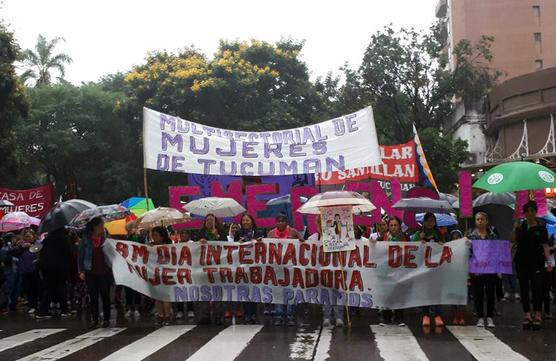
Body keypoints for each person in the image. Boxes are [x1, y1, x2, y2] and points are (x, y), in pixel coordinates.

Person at [513, 201, 553, 330]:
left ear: (536, 212)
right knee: (524, 289)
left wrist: (548, 262)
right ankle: (527, 314)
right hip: (521, 262)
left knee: (537, 288)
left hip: (537, 263)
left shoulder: (541, 229)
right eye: (527, 211)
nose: (530, 213)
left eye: (532, 211)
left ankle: (537, 313)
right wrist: (515, 227)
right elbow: (512, 240)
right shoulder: (521, 226)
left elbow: (545, 246)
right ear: (524, 213)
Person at [411, 212, 447, 328]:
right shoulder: (418, 233)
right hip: (423, 268)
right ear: (424, 222)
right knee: (425, 291)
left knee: (437, 291)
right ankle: (425, 314)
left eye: (432, 221)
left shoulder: (439, 234)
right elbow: (412, 248)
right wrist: (419, 241)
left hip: (437, 268)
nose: (430, 223)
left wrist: (442, 244)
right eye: (427, 221)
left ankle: (438, 315)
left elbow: (447, 248)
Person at [268, 214, 303, 326]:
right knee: (278, 292)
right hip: (277, 268)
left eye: (283, 221)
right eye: (278, 221)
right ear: (276, 222)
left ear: (286, 222)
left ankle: (290, 315)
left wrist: (302, 241)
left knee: (290, 292)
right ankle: (279, 315)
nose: (281, 223)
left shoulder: (293, 232)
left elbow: (302, 242)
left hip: (291, 268)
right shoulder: (271, 233)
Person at [309, 215, 344, 327]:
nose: (320, 225)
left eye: (322, 222)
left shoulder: (336, 236)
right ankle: (327, 317)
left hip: (336, 270)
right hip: (321, 271)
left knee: (338, 293)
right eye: (318, 222)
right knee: (325, 294)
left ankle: (339, 317)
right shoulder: (313, 238)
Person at [78, 217, 112, 328]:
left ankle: (106, 319)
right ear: (95, 226)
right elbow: (81, 256)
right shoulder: (86, 239)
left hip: (105, 270)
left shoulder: (106, 238)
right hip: (90, 271)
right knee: (93, 296)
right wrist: (81, 270)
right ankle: (94, 319)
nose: (103, 227)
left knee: (105, 295)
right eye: (101, 225)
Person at [467, 212, 498, 328]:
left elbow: (497, 251)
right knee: (478, 293)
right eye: (478, 219)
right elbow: (468, 254)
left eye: (482, 219)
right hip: (476, 269)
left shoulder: (493, 235)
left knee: (490, 292)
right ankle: (480, 317)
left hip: (490, 269)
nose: (480, 221)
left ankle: (490, 317)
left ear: (487, 221)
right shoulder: (471, 236)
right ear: (475, 221)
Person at [195, 214, 227, 325]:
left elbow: (226, 246)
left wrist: (217, 237)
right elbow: (194, 248)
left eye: (211, 220)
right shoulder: (200, 234)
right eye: (207, 220)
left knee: (218, 290)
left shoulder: (221, 233)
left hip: (218, 267)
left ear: (215, 222)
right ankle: (204, 316)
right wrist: (199, 242)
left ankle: (219, 315)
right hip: (203, 267)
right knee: (204, 290)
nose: (209, 222)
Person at [234, 213, 265, 324]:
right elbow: (233, 249)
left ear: (251, 221)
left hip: (256, 266)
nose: (245, 222)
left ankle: (254, 314)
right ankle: (247, 314)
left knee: (255, 290)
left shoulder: (258, 233)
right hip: (243, 265)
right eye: (243, 220)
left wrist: (260, 242)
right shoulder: (238, 233)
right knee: (245, 290)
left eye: (247, 220)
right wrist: (238, 244)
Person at [36, 227, 72, 319]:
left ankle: (42, 311)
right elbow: (69, 252)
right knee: (61, 287)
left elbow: (41, 251)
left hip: (46, 268)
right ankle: (64, 310)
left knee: (49, 289)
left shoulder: (47, 240)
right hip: (60, 268)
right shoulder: (64, 240)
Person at [379, 217, 408, 326]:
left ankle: (399, 317)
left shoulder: (406, 238)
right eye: (391, 225)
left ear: (399, 226)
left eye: (395, 225)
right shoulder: (384, 237)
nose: (393, 227)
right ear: (388, 227)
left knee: (399, 293)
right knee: (387, 293)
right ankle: (386, 317)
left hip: (401, 270)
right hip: (387, 270)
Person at [12, 229, 40, 315]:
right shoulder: (21, 245)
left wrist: (30, 246)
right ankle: (32, 305)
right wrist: (20, 246)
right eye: (25, 236)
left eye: (29, 236)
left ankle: (38, 304)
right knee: (28, 288)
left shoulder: (37, 243)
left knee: (37, 288)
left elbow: (38, 250)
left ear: (33, 236)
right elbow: (14, 253)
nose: (27, 238)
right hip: (25, 270)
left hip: (35, 269)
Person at [151, 226, 173, 326]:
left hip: (166, 273)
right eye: (153, 235)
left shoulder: (169, 246)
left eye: (156, 235)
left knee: (165, 296)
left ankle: (167, 316)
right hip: (155, 273)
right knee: (157, 296)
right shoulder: (151, 247)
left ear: (162, 236)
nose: (154, 237)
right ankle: (160, 315)